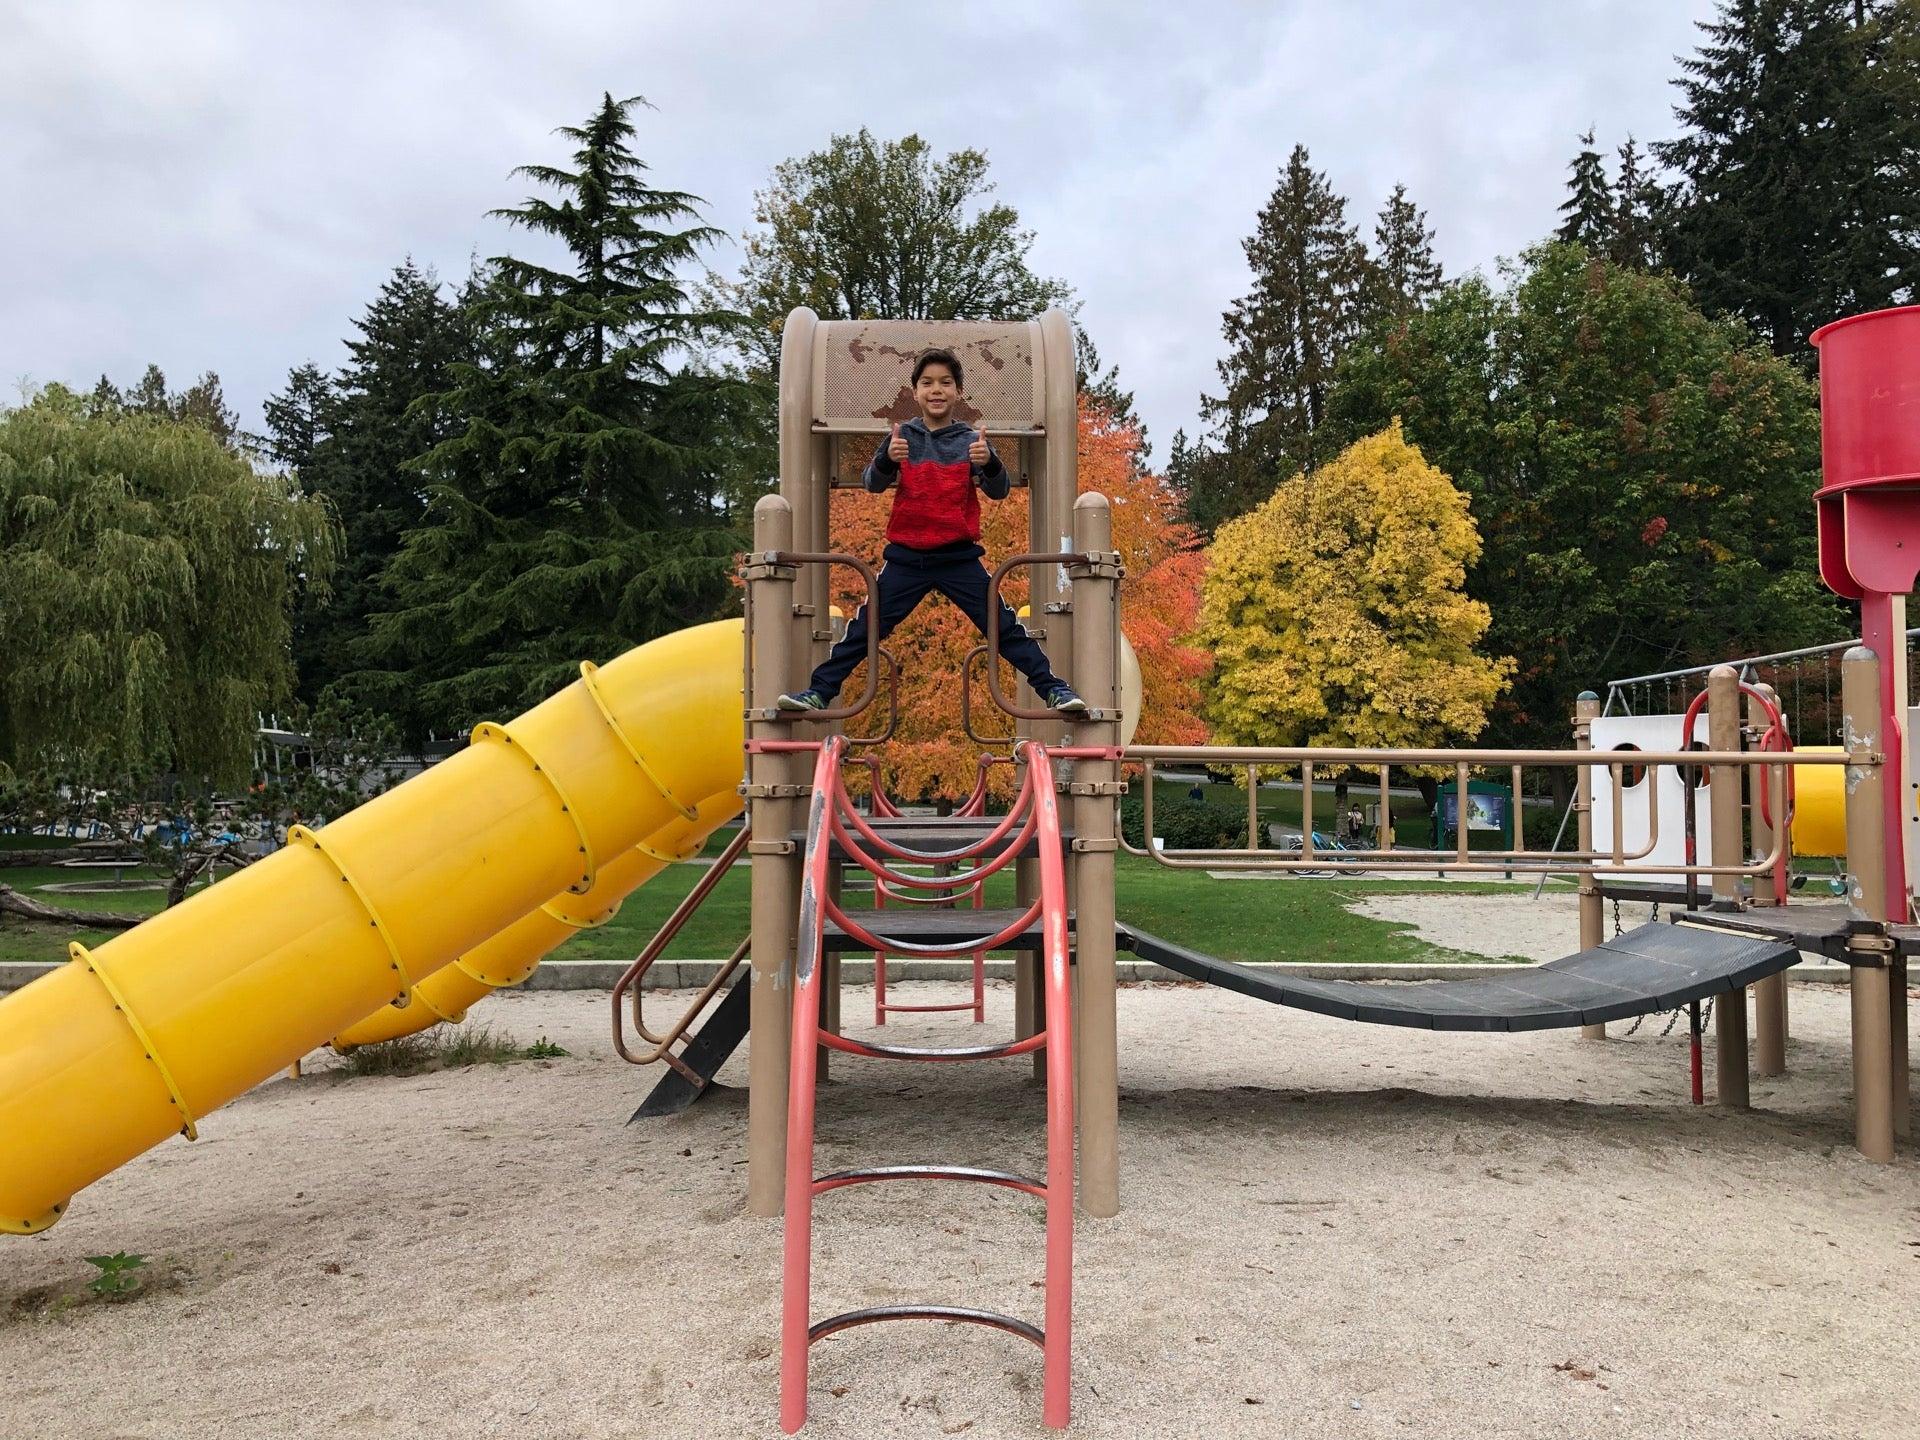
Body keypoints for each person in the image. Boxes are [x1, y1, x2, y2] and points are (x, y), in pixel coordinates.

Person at [777, 348, 1086, 716]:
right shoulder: (902, 437)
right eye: (927, 383)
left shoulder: (970, 440)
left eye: (945, 383)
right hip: (907, 559)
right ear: (915, 391)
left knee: (1001, 626)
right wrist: (886, 459)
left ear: (958, 392)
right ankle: (818, 692)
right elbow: (872, 484)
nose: (936, 390)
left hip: (957, 558)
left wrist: (989, 464)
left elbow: (999, 490)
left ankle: (1055, 690)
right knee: (866, 628)